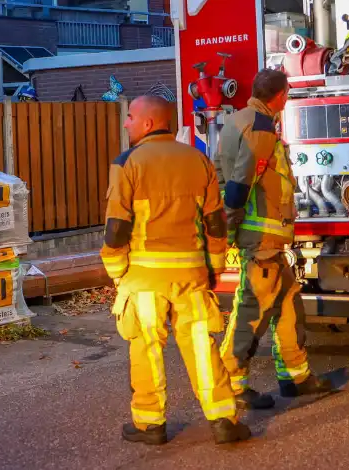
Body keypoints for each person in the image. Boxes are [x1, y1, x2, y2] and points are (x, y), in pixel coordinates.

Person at [102, 95, 251, 447]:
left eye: (130, 117)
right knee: (202, 346)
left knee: (146, 349)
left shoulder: (127, 163)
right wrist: (214, 269)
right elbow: (216, 225)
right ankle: (223, 421)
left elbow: (116, 227)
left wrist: (116, 271)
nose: (126, 123)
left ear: (149, 123)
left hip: (144, 279)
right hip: (192, 277)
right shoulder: (198, 160)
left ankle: (150, 425)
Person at [216, 69, 333, 411]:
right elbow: (243, 177)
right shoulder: (263, 128)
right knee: (252, 310)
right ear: (281, 97)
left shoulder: (234, 120)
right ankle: (230, 383)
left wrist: (227, 218)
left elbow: (222, 173)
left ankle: (296, 377)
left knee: (287, 303)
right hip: (262, 237)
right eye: (287, 95)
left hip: (265, 239)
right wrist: (233, 220)